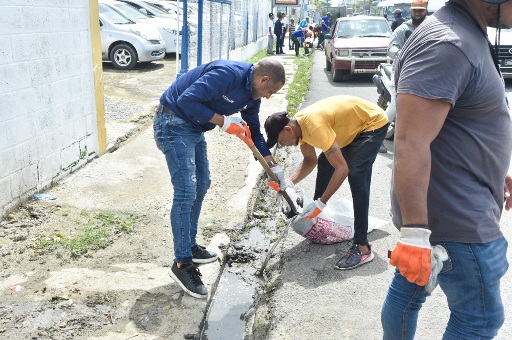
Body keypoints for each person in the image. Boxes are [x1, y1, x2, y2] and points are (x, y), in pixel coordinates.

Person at [381, 0, 512, 338]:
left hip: (446, 213)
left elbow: (460, 123)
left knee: (407, 294)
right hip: (458, 222)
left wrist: (495, 170)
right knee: (478, 320)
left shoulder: (467, 33)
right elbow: (410, 142)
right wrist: (414, 236)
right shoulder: (449, 44)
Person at [154, 59, 286, 299]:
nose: (268, 97)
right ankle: (182, 264)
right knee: (185, 191)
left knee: (202, 184)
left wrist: (270, 163)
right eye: (270, 92)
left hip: (193, 128)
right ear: (264, 79)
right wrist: (225, 122)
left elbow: (253, 129)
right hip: (173, 122)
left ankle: (189, 245)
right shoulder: (227, 74)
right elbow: (186, 99)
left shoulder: (252, 94)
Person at [264, 95, 389, 270]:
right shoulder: (300, 127)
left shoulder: (314, 127)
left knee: (356, 175)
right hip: (352, 127)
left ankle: (363, 247)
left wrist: (321, 203)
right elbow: (310, 160)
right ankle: (318, 218)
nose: (282, 145)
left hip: (372, 124)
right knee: (325, 162)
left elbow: (342, 169)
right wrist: (288, 183)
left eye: (280, 141)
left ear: (287, 130)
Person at [380, 0, 428, 153]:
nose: (417, 13)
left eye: (420, 10)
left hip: (426, 75)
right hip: (402, 74)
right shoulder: (403, 29)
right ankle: (374, 137)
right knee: (395, 108)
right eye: (415, 10)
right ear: (411, 11)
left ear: (425, 10)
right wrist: (402, 54)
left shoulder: (431, 28)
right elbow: (391, 48)